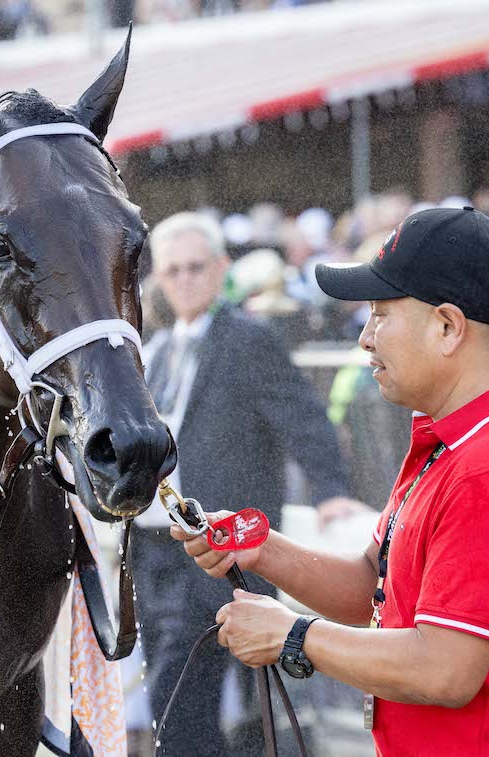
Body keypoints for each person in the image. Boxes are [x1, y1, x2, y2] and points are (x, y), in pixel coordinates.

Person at [173, 206, 489, 755]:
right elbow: (376, 591)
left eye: (380, 313)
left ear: (448, 327)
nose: (365, 337)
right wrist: (262, 550)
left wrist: (292, 634)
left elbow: (445, 668)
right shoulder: (462, 440)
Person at [131, 212, 361, 756]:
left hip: (229, 544)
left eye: (195, 267)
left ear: (219, 269)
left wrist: (329, 489)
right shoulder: (158, 349)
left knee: (208, 685)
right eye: (173, 271)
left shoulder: (246, 339)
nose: (184, 280)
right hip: (156, 547)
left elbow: (303, 417)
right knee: (179, 685)